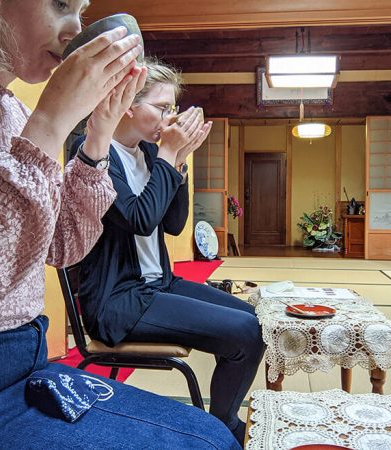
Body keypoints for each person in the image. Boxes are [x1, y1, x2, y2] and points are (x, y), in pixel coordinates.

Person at [0, 1, 239, 449]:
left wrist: (97, 136)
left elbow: (62, 245)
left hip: (20, 363)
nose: (75, 27)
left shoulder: (15, 112)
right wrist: (51, 120)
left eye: (81, 10)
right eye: (60, 4)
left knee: (209, 434)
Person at [75, 58, 265, 446]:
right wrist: (167, 156)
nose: (169, 116)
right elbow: (140, 219)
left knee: (254, 319)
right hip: (118, 300)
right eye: (162, 107)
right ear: (129, 104)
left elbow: (174, 223)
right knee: (244, 332)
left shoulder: (147, 153)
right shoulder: (95, 153)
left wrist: (178, 161)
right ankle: (224, 425)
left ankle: (220, 419)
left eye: (172, 109)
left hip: (158, 282)